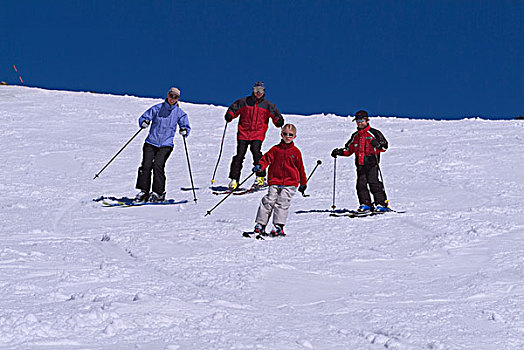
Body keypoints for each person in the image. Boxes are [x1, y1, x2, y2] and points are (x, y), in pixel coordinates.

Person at [224, 81, 285, 190]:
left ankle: (260, 177)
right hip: (243, 133)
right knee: (239, 155)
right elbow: (234, 108)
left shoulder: (267, 105)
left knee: (256, 152)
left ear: (263, 91)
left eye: (260, 90)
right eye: (256, 90)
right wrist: (230, 115)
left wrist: (278, 120)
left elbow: (275, 114)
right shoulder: (245, 102)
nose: (258, 92)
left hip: (257, 134)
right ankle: (234, 180)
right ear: (253, 90)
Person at [135, 87, 191, 202]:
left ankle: (158, 193)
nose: (172, 99)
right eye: (171, 96)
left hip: (166, 144)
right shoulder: (157, 108)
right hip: (151, 142)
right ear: (168, 95)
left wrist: (184, 129)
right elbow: (145, 117)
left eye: (175, 97)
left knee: (158, 166)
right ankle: (144, 191)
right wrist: (144, 122)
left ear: (178, 99)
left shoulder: (179, 113)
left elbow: (185, 124)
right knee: (146, 166)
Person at [251, 124, 307, 237]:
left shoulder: (296, 152)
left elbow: (300, 168)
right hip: (275, 181)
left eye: (290, 135)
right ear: (281, 134)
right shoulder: (275, 149)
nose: (287, 137)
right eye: (285, 134)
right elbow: (266, 159)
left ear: (294, 137)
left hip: (290, 183)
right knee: (268, 200)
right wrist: (260, 166)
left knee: (282, 203)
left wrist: (303, 183)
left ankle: (278, 226)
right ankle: (260, 225)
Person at [330, 110, 389, 212]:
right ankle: (366, 204)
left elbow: (384, 147)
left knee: (373, 183)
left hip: (372, 163)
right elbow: (348, 150)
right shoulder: (355, 136)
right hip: (360, 164)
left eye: (362, 120)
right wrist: (338, 152)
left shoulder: (374, 133)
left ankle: (381, 204)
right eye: (358, 121)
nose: (360, 123)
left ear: (367, 120)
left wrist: (378, 145)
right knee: (360, 184)